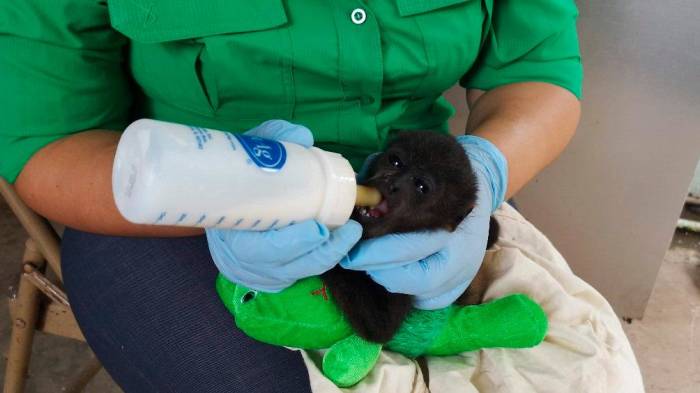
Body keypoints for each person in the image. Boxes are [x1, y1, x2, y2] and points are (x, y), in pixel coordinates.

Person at [0, 0, 582, 391]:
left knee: (561, 367)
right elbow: (48, 142)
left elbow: (533, 69)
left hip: (413, 190)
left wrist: (483, 174)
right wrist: (225, 201)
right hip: (167, 214)